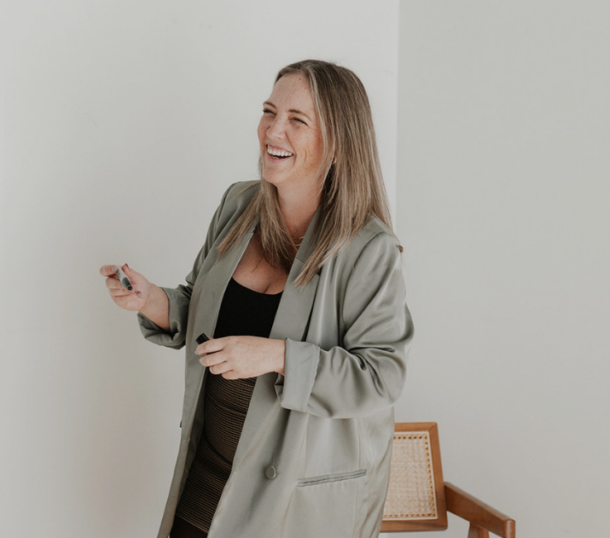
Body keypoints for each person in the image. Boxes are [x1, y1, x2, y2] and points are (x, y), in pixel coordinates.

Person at [100, 60, 414, 538]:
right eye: (269, 111)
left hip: (292, 500)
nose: (273, 129)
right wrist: (150, 300)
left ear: (337, 142)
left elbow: (382, 375)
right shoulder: (238, 205)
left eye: (296, 120)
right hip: (207, 478)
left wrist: (277, 356)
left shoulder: (368, 249)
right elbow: (202, 311)